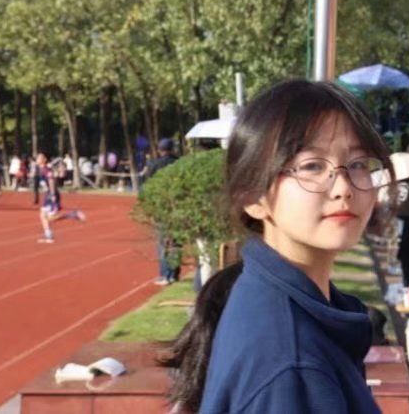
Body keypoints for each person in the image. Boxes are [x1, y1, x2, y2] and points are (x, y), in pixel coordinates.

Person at [161, 80, 395, 413]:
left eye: (357, 163)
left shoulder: (276, 301)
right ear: (252, 197)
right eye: (312, 166)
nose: (343, 186)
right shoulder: (292, 365)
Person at [144, 138, 179, 285]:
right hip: (178, 206)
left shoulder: (155, 165)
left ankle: (165, 275)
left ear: (159, 150)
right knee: (176, 241)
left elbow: (148, 186)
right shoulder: (179, 163)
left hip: (162, 207)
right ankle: (174, 274)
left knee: (163, 242)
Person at [36, 153, 85, 243]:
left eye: (39, 158)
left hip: (51, 195)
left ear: (44, 160)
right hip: (47, 195)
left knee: (50, 218)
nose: (37, 159)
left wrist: (52, 194)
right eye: (37, 158)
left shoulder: (46, 170)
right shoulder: (41, 169)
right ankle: (48, 234)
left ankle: (71, 214)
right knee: (42, 215)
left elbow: (51, 181)